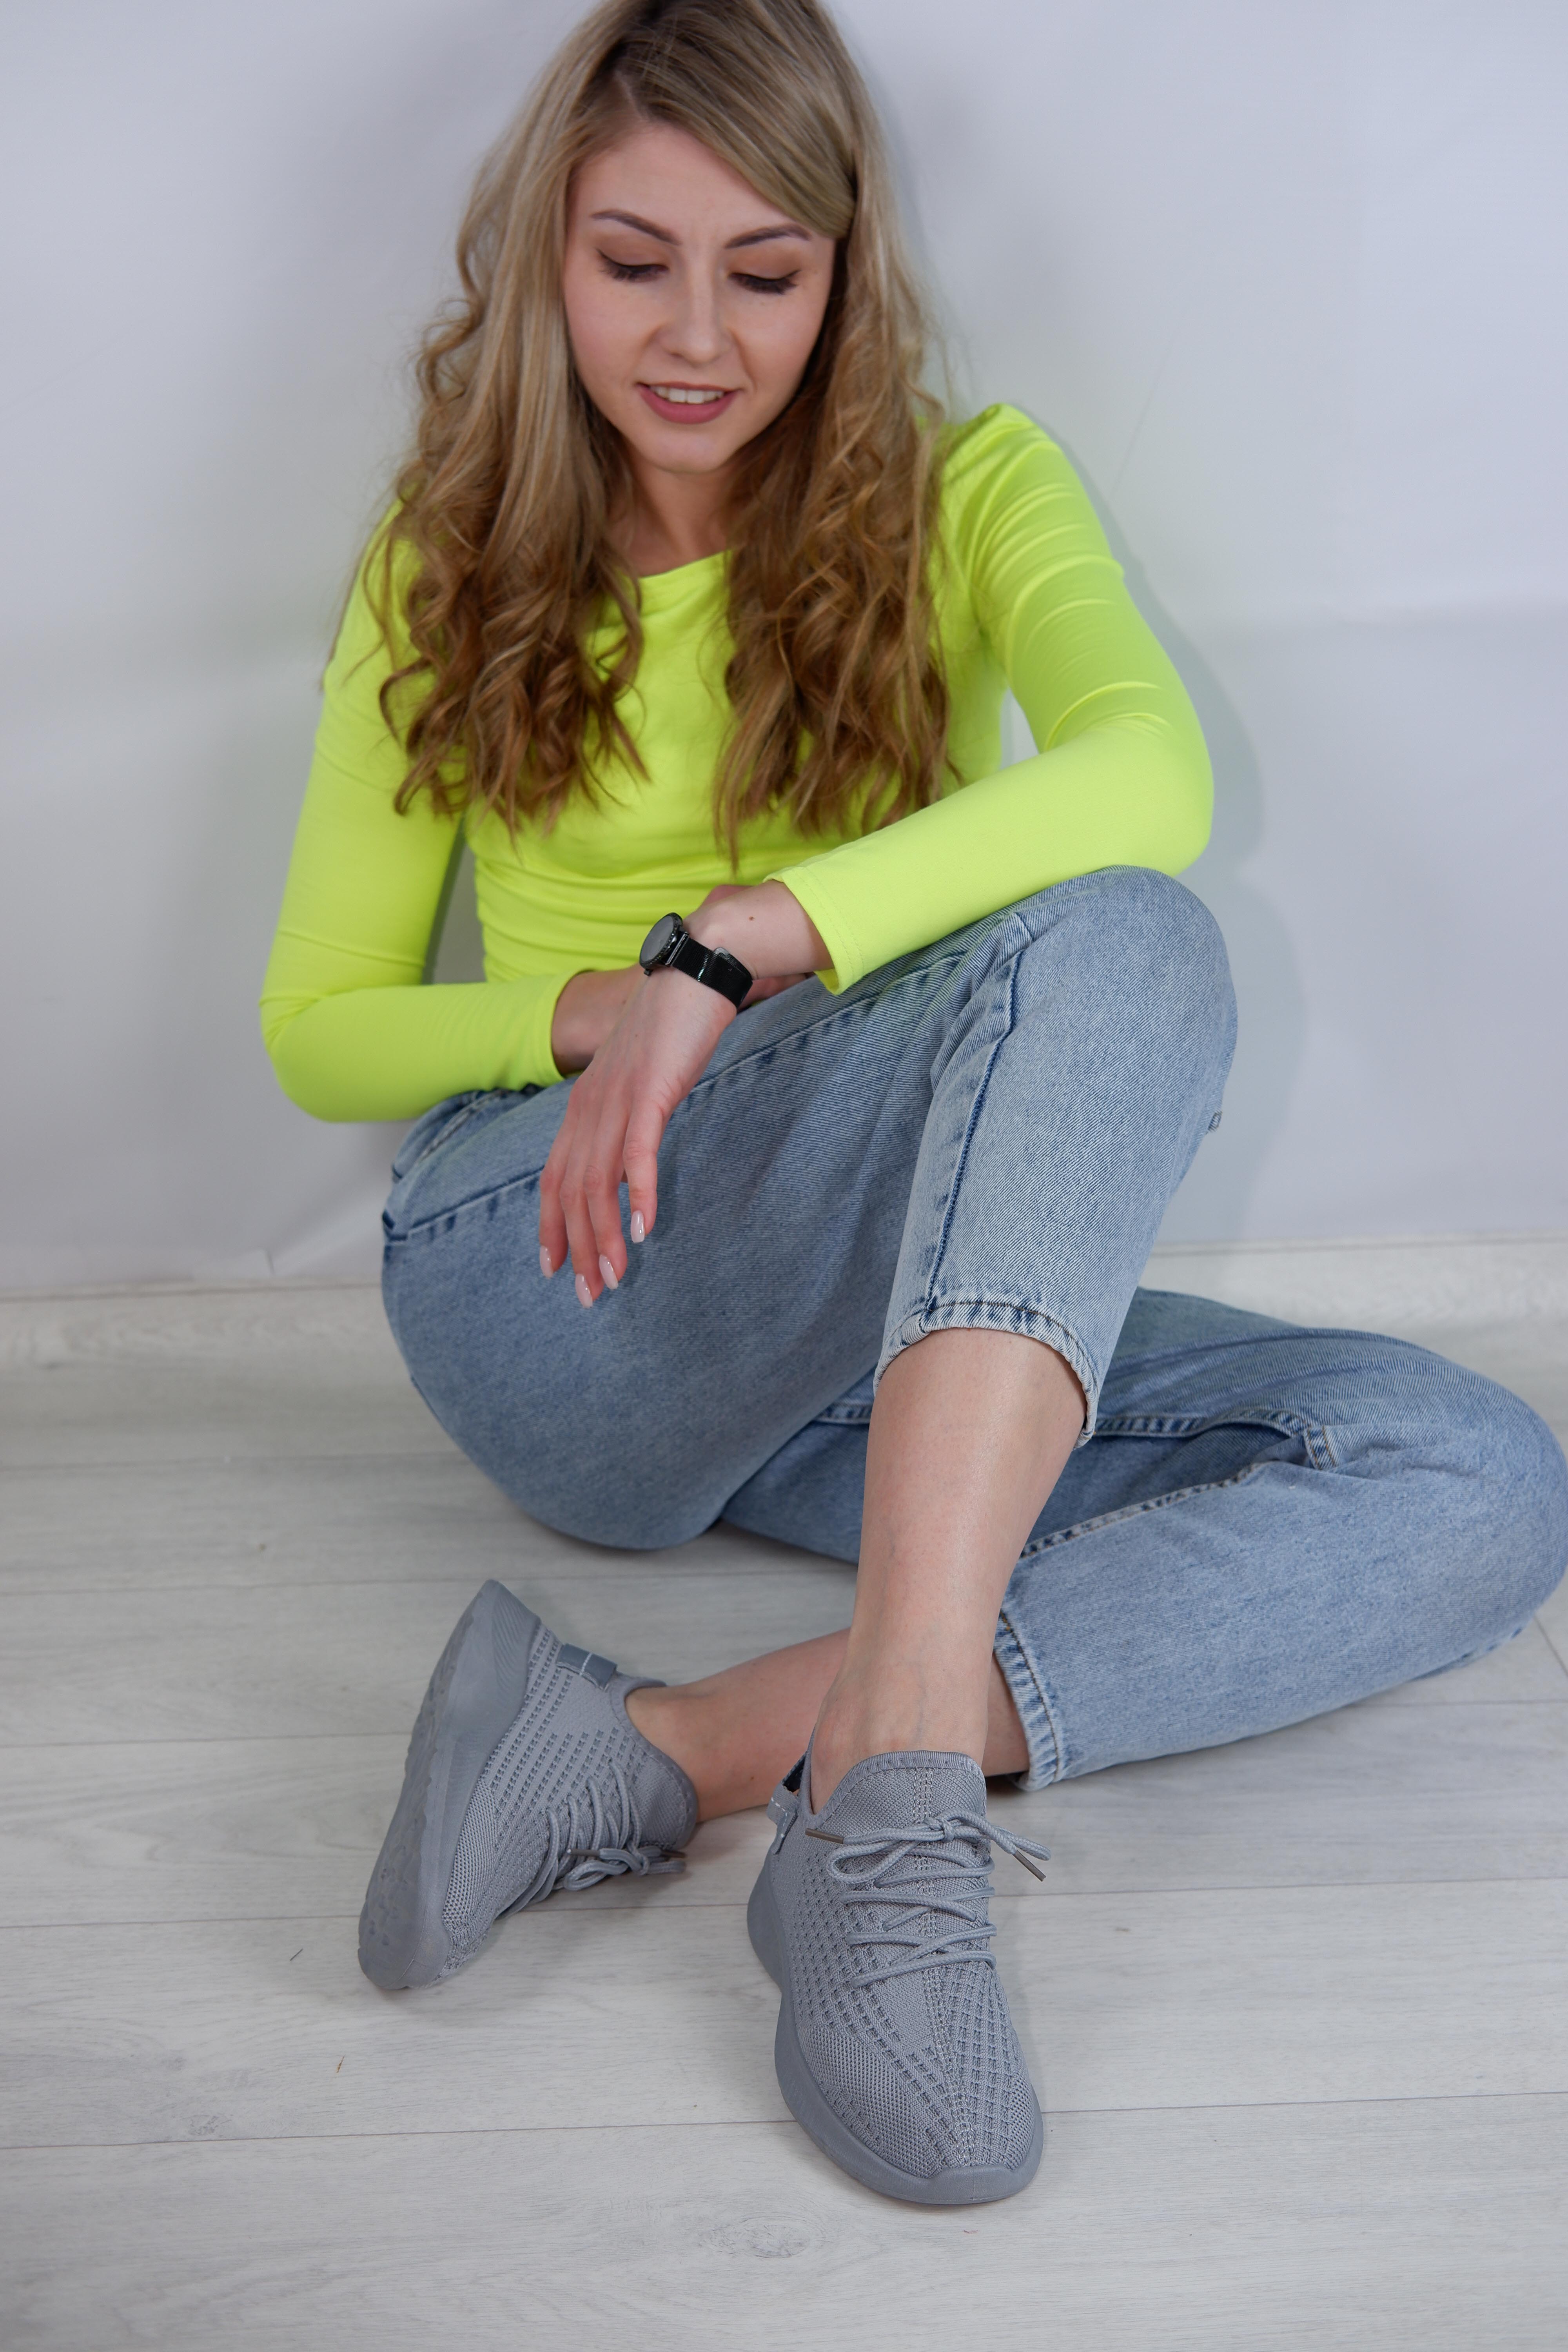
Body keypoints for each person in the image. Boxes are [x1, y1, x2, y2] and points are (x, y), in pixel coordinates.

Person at [261, 0, 1568, 2207]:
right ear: (546, 257)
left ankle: (669, 1750)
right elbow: (320, 1029)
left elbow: (1150, 772)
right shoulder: (449, 552)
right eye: (633, 262)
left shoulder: (972, 491)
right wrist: (606, 1015)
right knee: (1121, 941)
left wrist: (744, 942)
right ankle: (892, 1840)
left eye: (764, 273)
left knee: (1476, 1478)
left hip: (868, 1343)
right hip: (551, 1281)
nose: (696, 337)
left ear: (849, 275)